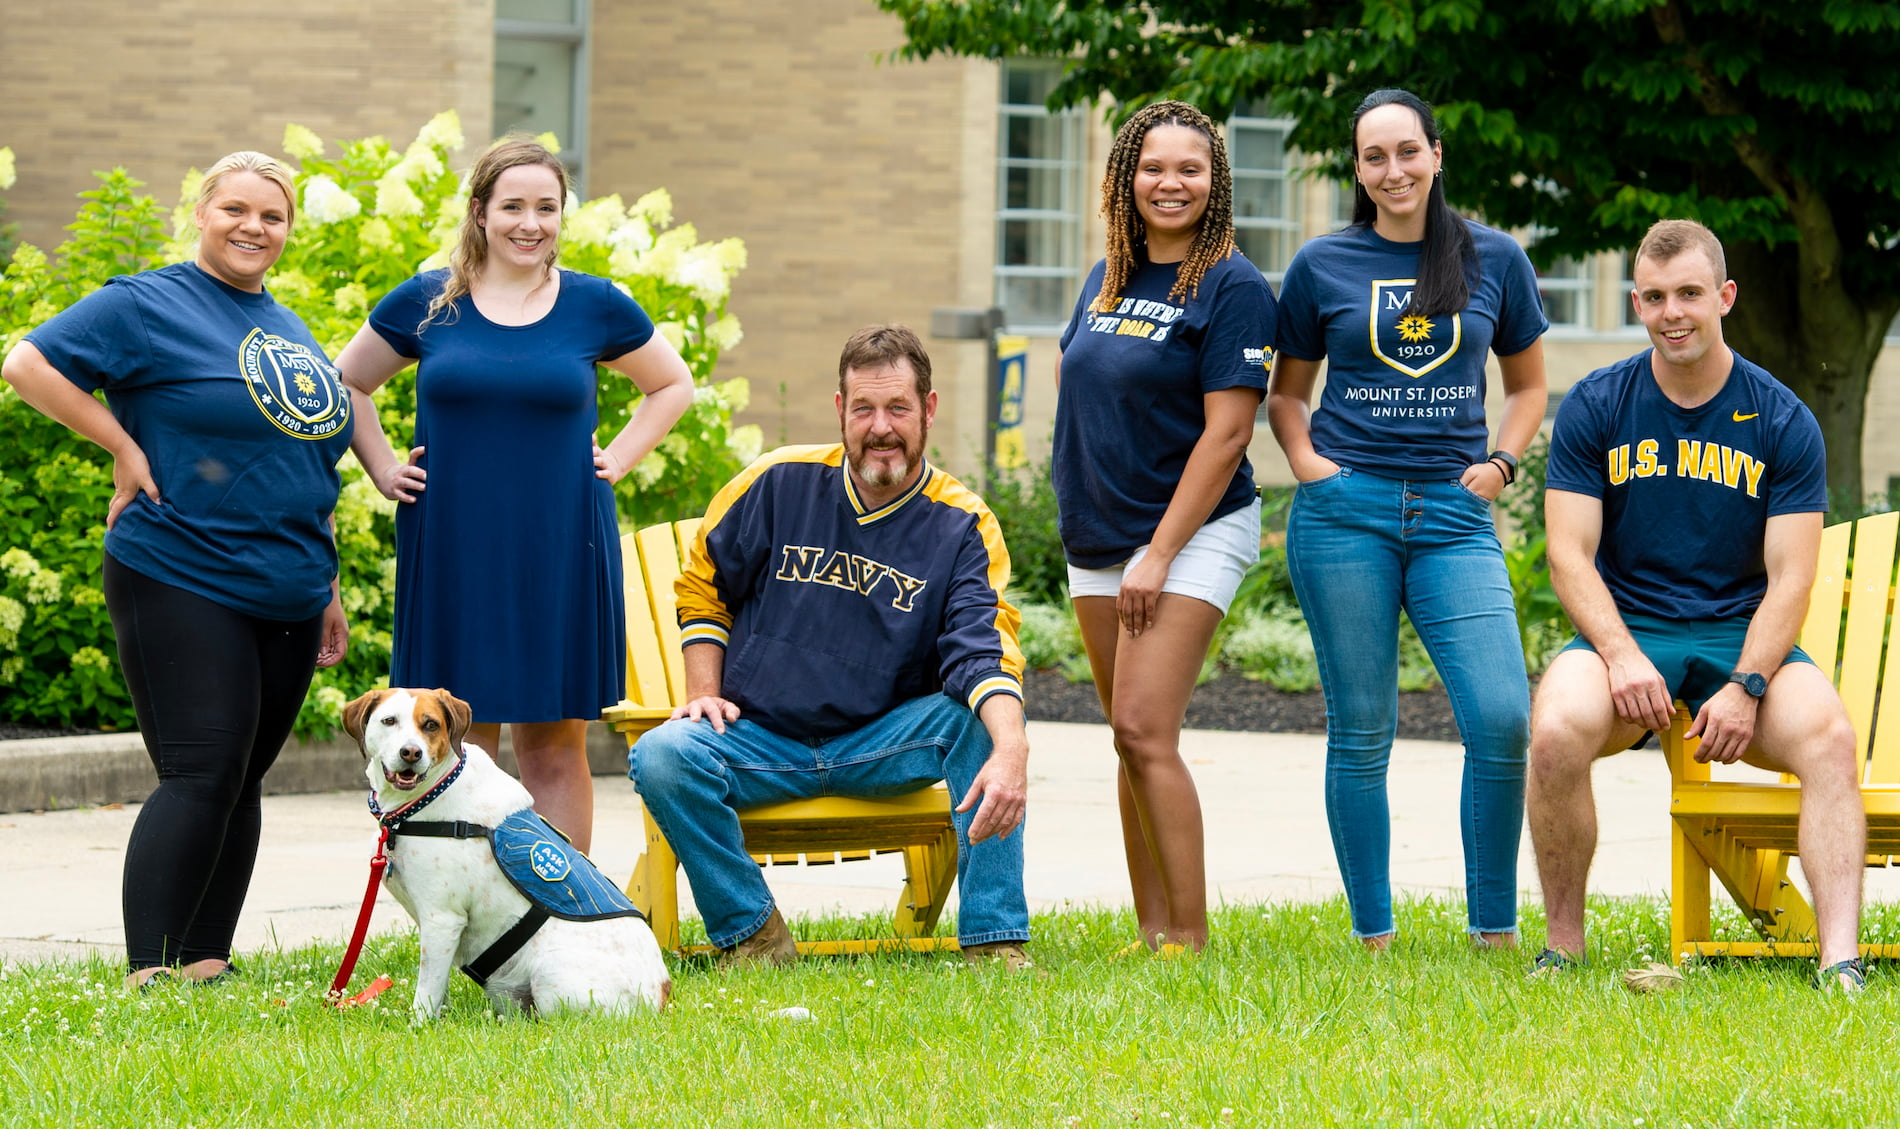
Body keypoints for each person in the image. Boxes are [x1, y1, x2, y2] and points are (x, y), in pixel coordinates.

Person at [2, 151, 352, 989]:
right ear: (200, 212)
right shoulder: (147, 302)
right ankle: (147, 971)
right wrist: (123, 445)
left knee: (242, 778)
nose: (253, 227)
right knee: (202, 766)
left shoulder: (286, 324)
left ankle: (204, 959)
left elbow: (304, 456)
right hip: (182, 567)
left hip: (294, 581)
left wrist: (330, 586)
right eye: (236, 209)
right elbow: (26, 363)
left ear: (289, 229)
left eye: (272, 216)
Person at [1527, 219, 1865, 989]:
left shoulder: (1781, 418)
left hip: (1741, 633)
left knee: (1830, 740)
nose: (1672, 311)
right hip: (1630, 627)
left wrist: (1748, 687)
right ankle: (1563, 946)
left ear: (1725, 296)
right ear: (1636, 303)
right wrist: (1618, 653)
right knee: (1553, 731)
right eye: (1654, 296)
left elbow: (1792, 578)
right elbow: (1569, 555)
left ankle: (1840, 960)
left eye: (1688, 293)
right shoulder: (1597, 404)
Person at [629, 325, 1032, 968]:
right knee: (661, 755)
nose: (881, 427)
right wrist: (702, 694)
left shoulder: (963, 523)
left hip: (883, 744)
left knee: (980, 724)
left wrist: (1013, 748)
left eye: (898, 407)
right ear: (840, 408)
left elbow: (982, 648)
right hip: (760, 740)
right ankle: (755, 935)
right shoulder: (777, 482)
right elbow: (704, 585)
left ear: (928, 409)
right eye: (864, 408)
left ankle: (995, 940)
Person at [337, 137, 693, 855]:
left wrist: (619, 455)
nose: (530, 223)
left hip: (560, 541)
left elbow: (672, 384)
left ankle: (562, 916)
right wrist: (380, 466)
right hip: (452, 544)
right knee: (457, 738)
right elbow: (344, 382)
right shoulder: (427, 302)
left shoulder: (595, 305)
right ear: (479, 212)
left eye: (547, 207)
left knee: (554, 741)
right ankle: (470, 913)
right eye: (512, 206)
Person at [1267, 89, 1548, 950]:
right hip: (1346, 514)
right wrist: (1314, 469)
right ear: (1357, 168)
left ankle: (1492, 930)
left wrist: (1500, 465)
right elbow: (1287, 395)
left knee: (1502, 718)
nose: (1393, 170)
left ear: (1436, 154)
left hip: (1454, 516)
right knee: (1362, 727)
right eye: (1374, 156)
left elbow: (1530, 384)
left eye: (1407, 151)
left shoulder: (1495, 258)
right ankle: (1373, 935)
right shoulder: (1322, 264)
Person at [1054, 101, 1275, 956]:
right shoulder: (1106, 275)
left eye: (1190, 168)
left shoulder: (1235, 286)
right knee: (1128, 739)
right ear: (1126, 177)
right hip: (1100, 537)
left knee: (1146, 728)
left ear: (1215, 180)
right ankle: (1151, 930)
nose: (1170, 182)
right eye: (1153, 167)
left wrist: (1160, 551)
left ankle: (1188, 936)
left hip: (1191, 531)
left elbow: (1227, 435)